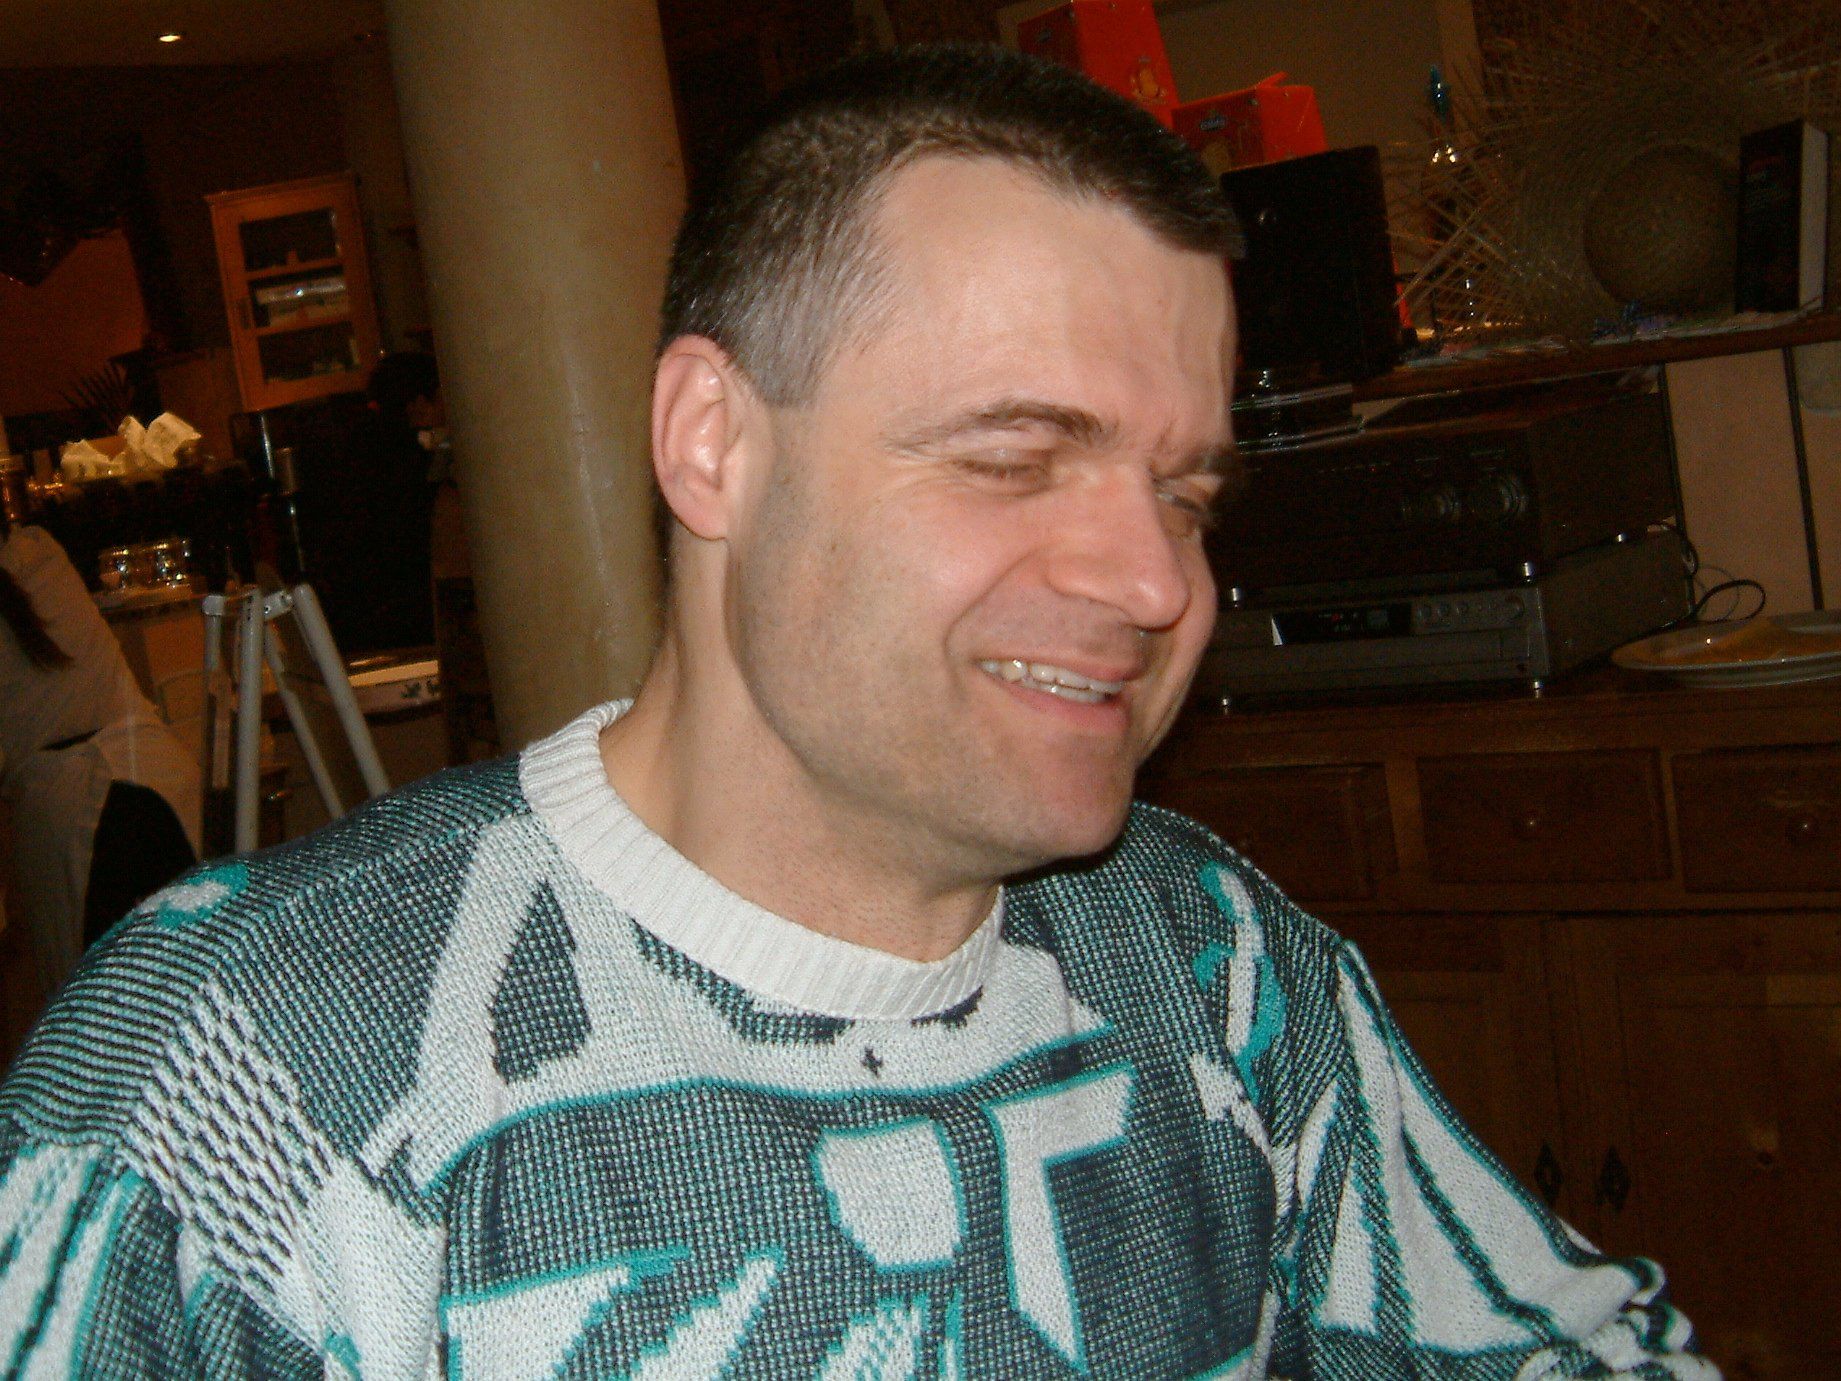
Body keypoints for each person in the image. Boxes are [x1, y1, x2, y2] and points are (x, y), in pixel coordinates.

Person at [0, 47, 1712, 1378]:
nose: (1154, 582)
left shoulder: (1218, 968)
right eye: (1015, 456)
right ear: (714, 444)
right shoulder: (241, 1065)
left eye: (1185, 494)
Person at [0, 499, 200, 998]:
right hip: (152, 775)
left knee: (106, 1014)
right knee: (183, 989)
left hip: (73, 818)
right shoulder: (39, 552)